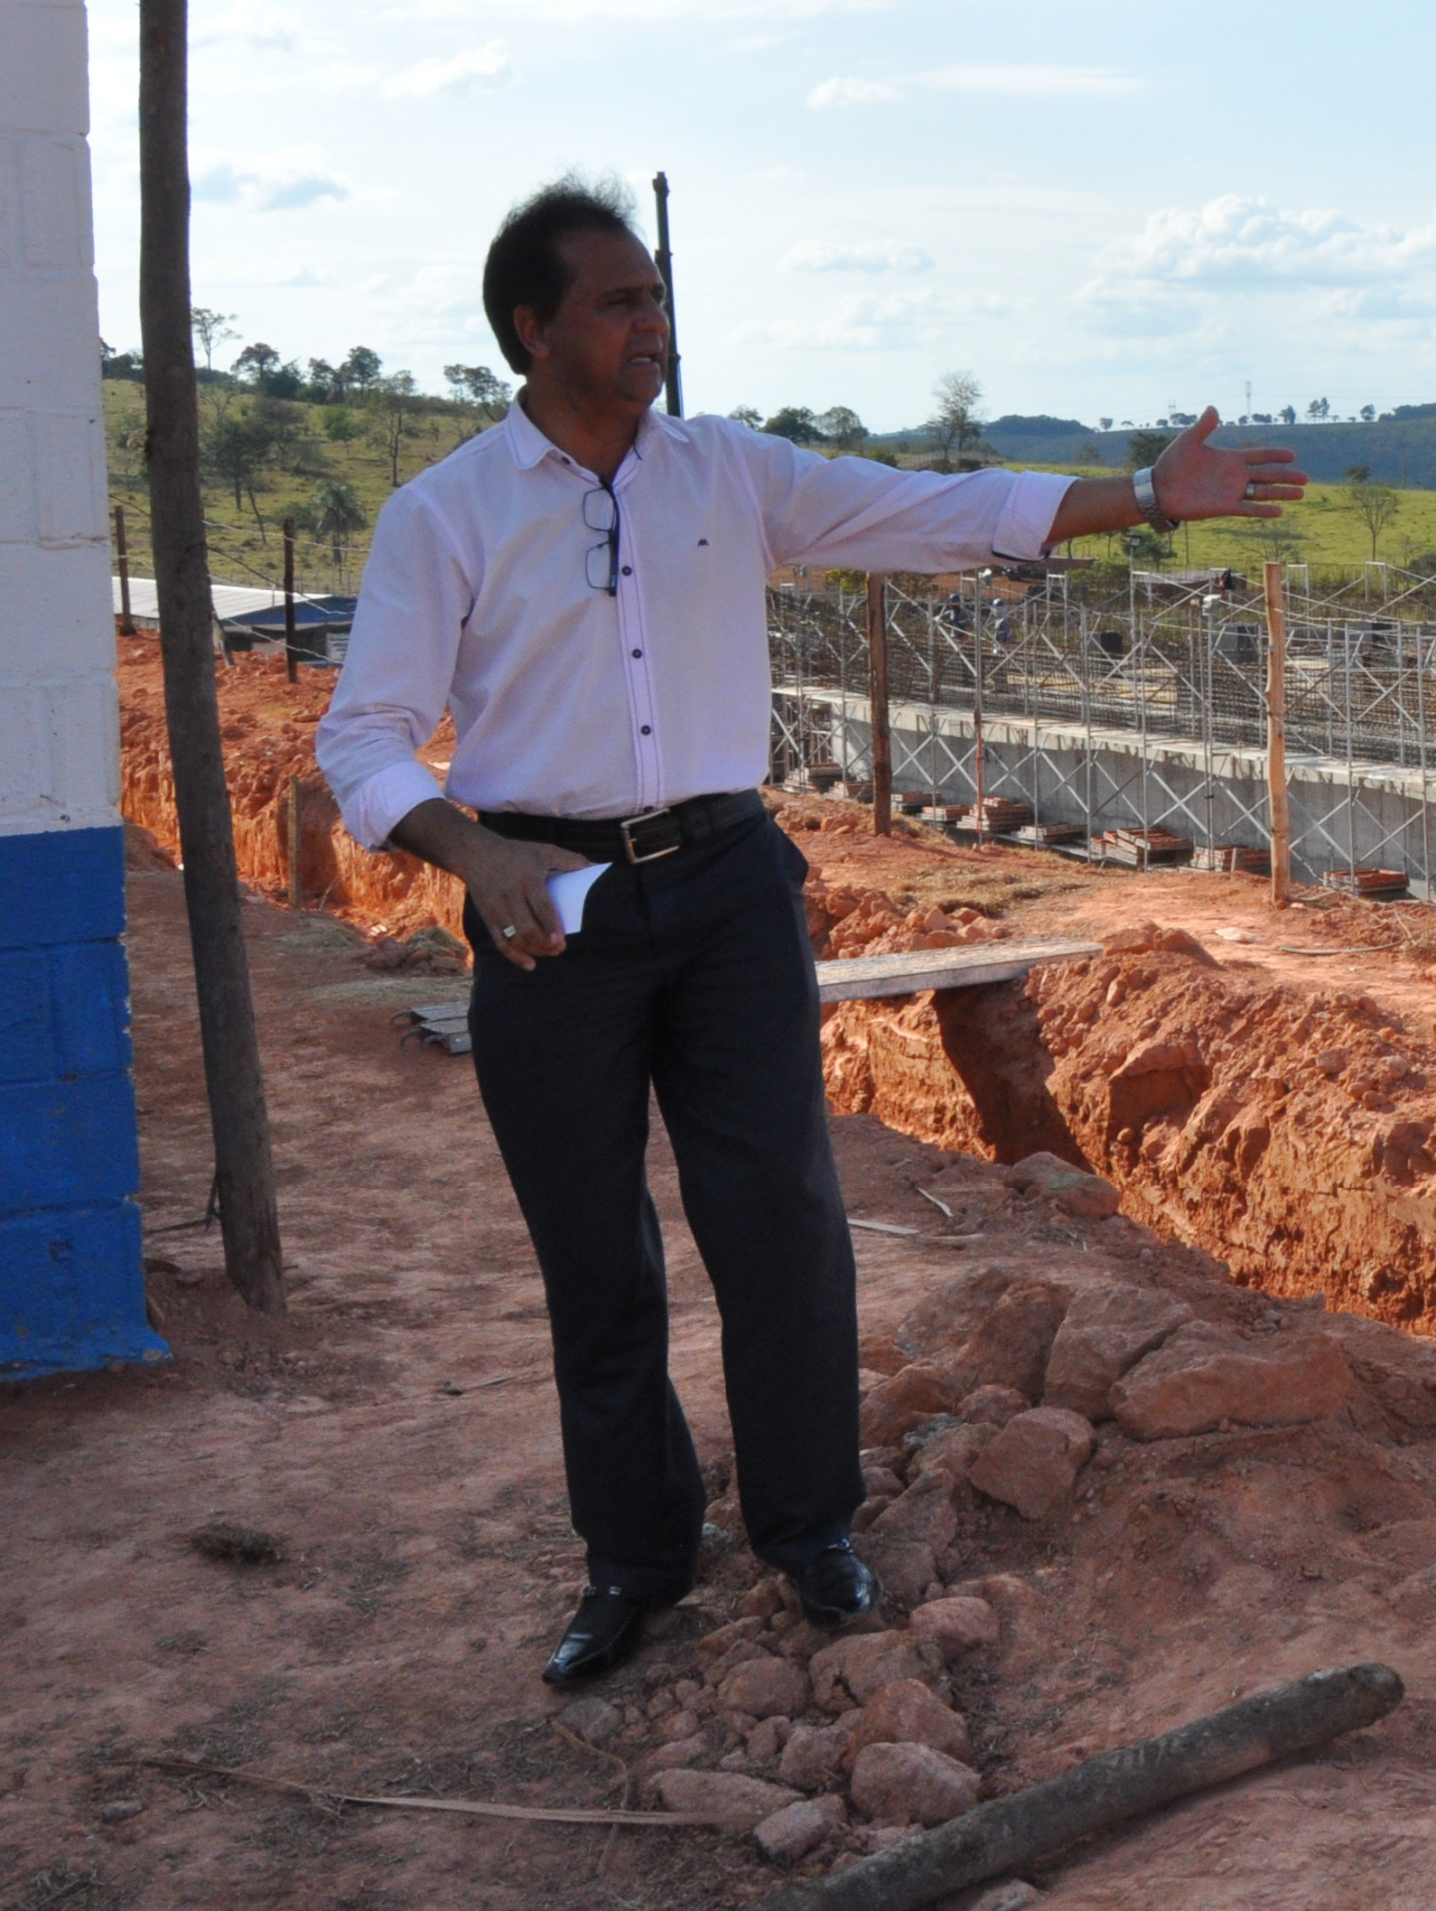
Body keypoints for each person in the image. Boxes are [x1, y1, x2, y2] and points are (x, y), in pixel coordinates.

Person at [316, 179, 1304, 1685]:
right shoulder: (444, 513)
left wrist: (1147, 498)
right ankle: (634, 1563)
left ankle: (806, 1530)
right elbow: (366, 739)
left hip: (725, 894)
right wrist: (470, 845)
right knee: (597, 1257)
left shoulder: (728, 476)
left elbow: (934, 509)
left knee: (781, 1225)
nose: (654, 326)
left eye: (656, 298)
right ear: (533, 328)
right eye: (619, 304)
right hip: (547, 919)